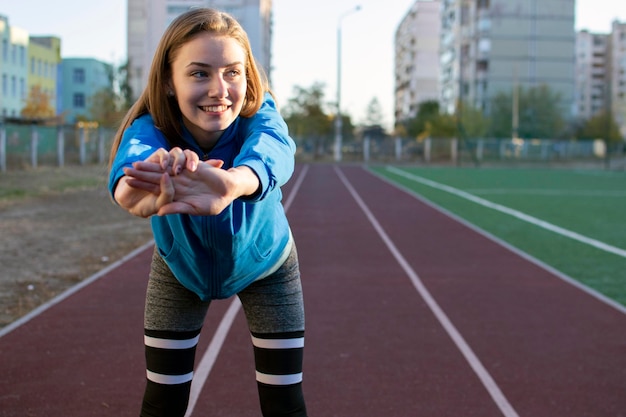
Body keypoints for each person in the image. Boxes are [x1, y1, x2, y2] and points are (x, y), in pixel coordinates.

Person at [107, 8, 307, 417]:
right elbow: (134, 160)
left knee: (284, 403)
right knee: (163, 401)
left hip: (268, 265)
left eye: (232, 72)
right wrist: (130, 191)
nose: (220, 89)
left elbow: (274, 148)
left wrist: (236, 182)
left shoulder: (259, 115)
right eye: (199, 73)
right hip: (180, 267)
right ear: (168, 81)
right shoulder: (152, 128)